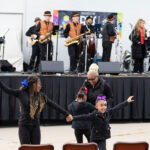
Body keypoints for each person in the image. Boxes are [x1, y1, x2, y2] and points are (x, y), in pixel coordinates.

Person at [0, 76, 71, 144]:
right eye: (39, 84)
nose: (40, 86)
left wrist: (67, 114)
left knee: (36, 148)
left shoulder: (41, 96)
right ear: (33, 84)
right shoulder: (21, 93)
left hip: (35, 126)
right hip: (24, 126)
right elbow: (6, 89)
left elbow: (53, 105)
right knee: (26, 148)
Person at [67, 95, 134, 150]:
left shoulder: (108, 113)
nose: (104, 107)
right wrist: (73, 117)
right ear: (96, 107)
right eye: (101, 105)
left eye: (105, 105)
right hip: (94, 137)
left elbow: (117, 107)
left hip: (102, 137)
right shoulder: (93, 115)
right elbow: (83, 116)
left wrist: (127, 102)